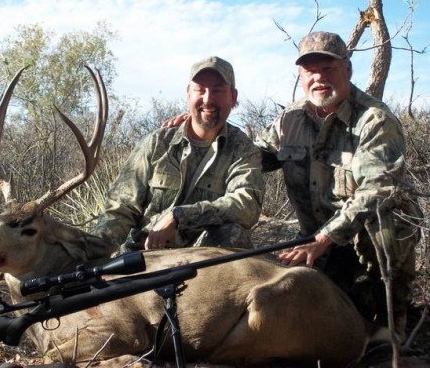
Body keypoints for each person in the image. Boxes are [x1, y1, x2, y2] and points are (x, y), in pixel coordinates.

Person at [255, 31, 422, 341]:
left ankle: (391, 322)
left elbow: (377, 191)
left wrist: (323, 239)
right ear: (301, 76)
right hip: (316, 240)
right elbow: (251, 158)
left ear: (348, 69)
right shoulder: (289, 119)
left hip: (359, 236)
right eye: (310, 70)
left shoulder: (374, 120)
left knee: (385, 225)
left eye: (328, 68)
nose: (319, 77)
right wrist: (208, 129)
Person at [91, 56, 264, 253]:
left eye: (217, 90)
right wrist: (97, 252)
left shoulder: (244, 150)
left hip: (202, 260)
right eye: (200, 90)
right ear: (188, 94)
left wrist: (179, 216)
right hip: (145, 255)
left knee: (233, 235)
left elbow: (245, 204)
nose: (208, 99)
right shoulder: (157, 142)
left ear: (233, 97)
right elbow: (121, 208)